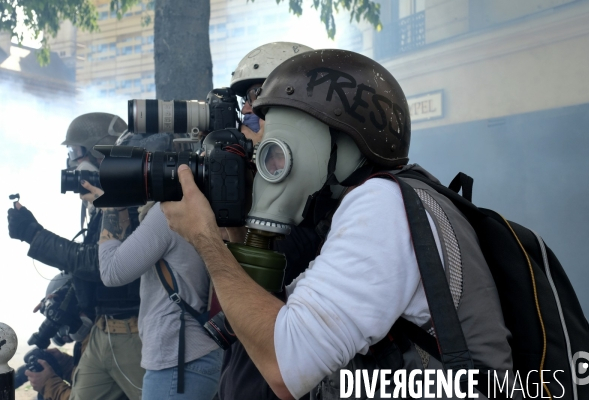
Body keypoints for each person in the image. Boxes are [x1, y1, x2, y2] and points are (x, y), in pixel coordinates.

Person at [161, 49, 516, 400]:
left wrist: (205, 238)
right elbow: (274, 318)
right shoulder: (393, 198)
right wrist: (237, 231)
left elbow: (285, 367)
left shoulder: (382, 206)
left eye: (280, 144)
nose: (268, 156)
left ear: (334, 139)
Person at [7, 113, 145, 400]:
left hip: (133, 334)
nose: (71, 163)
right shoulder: (104, 203)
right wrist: (66, 296)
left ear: (99, 154)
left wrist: (34, 235)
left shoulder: (130, 202)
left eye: (74, 152)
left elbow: (98, 264)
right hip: (103, 331)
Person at [219, 42, 322, 400]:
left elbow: (258, 298)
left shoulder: (319, 211)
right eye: (245, 99)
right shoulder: (261, 198)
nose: (246, 110)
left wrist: (204, 235)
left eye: (257, 95)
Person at [97, 131, 222, 400]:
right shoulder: (193, 203)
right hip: (189, 357)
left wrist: (110, 207)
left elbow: (112, 271)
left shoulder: (167, 212)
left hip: (179, 360)